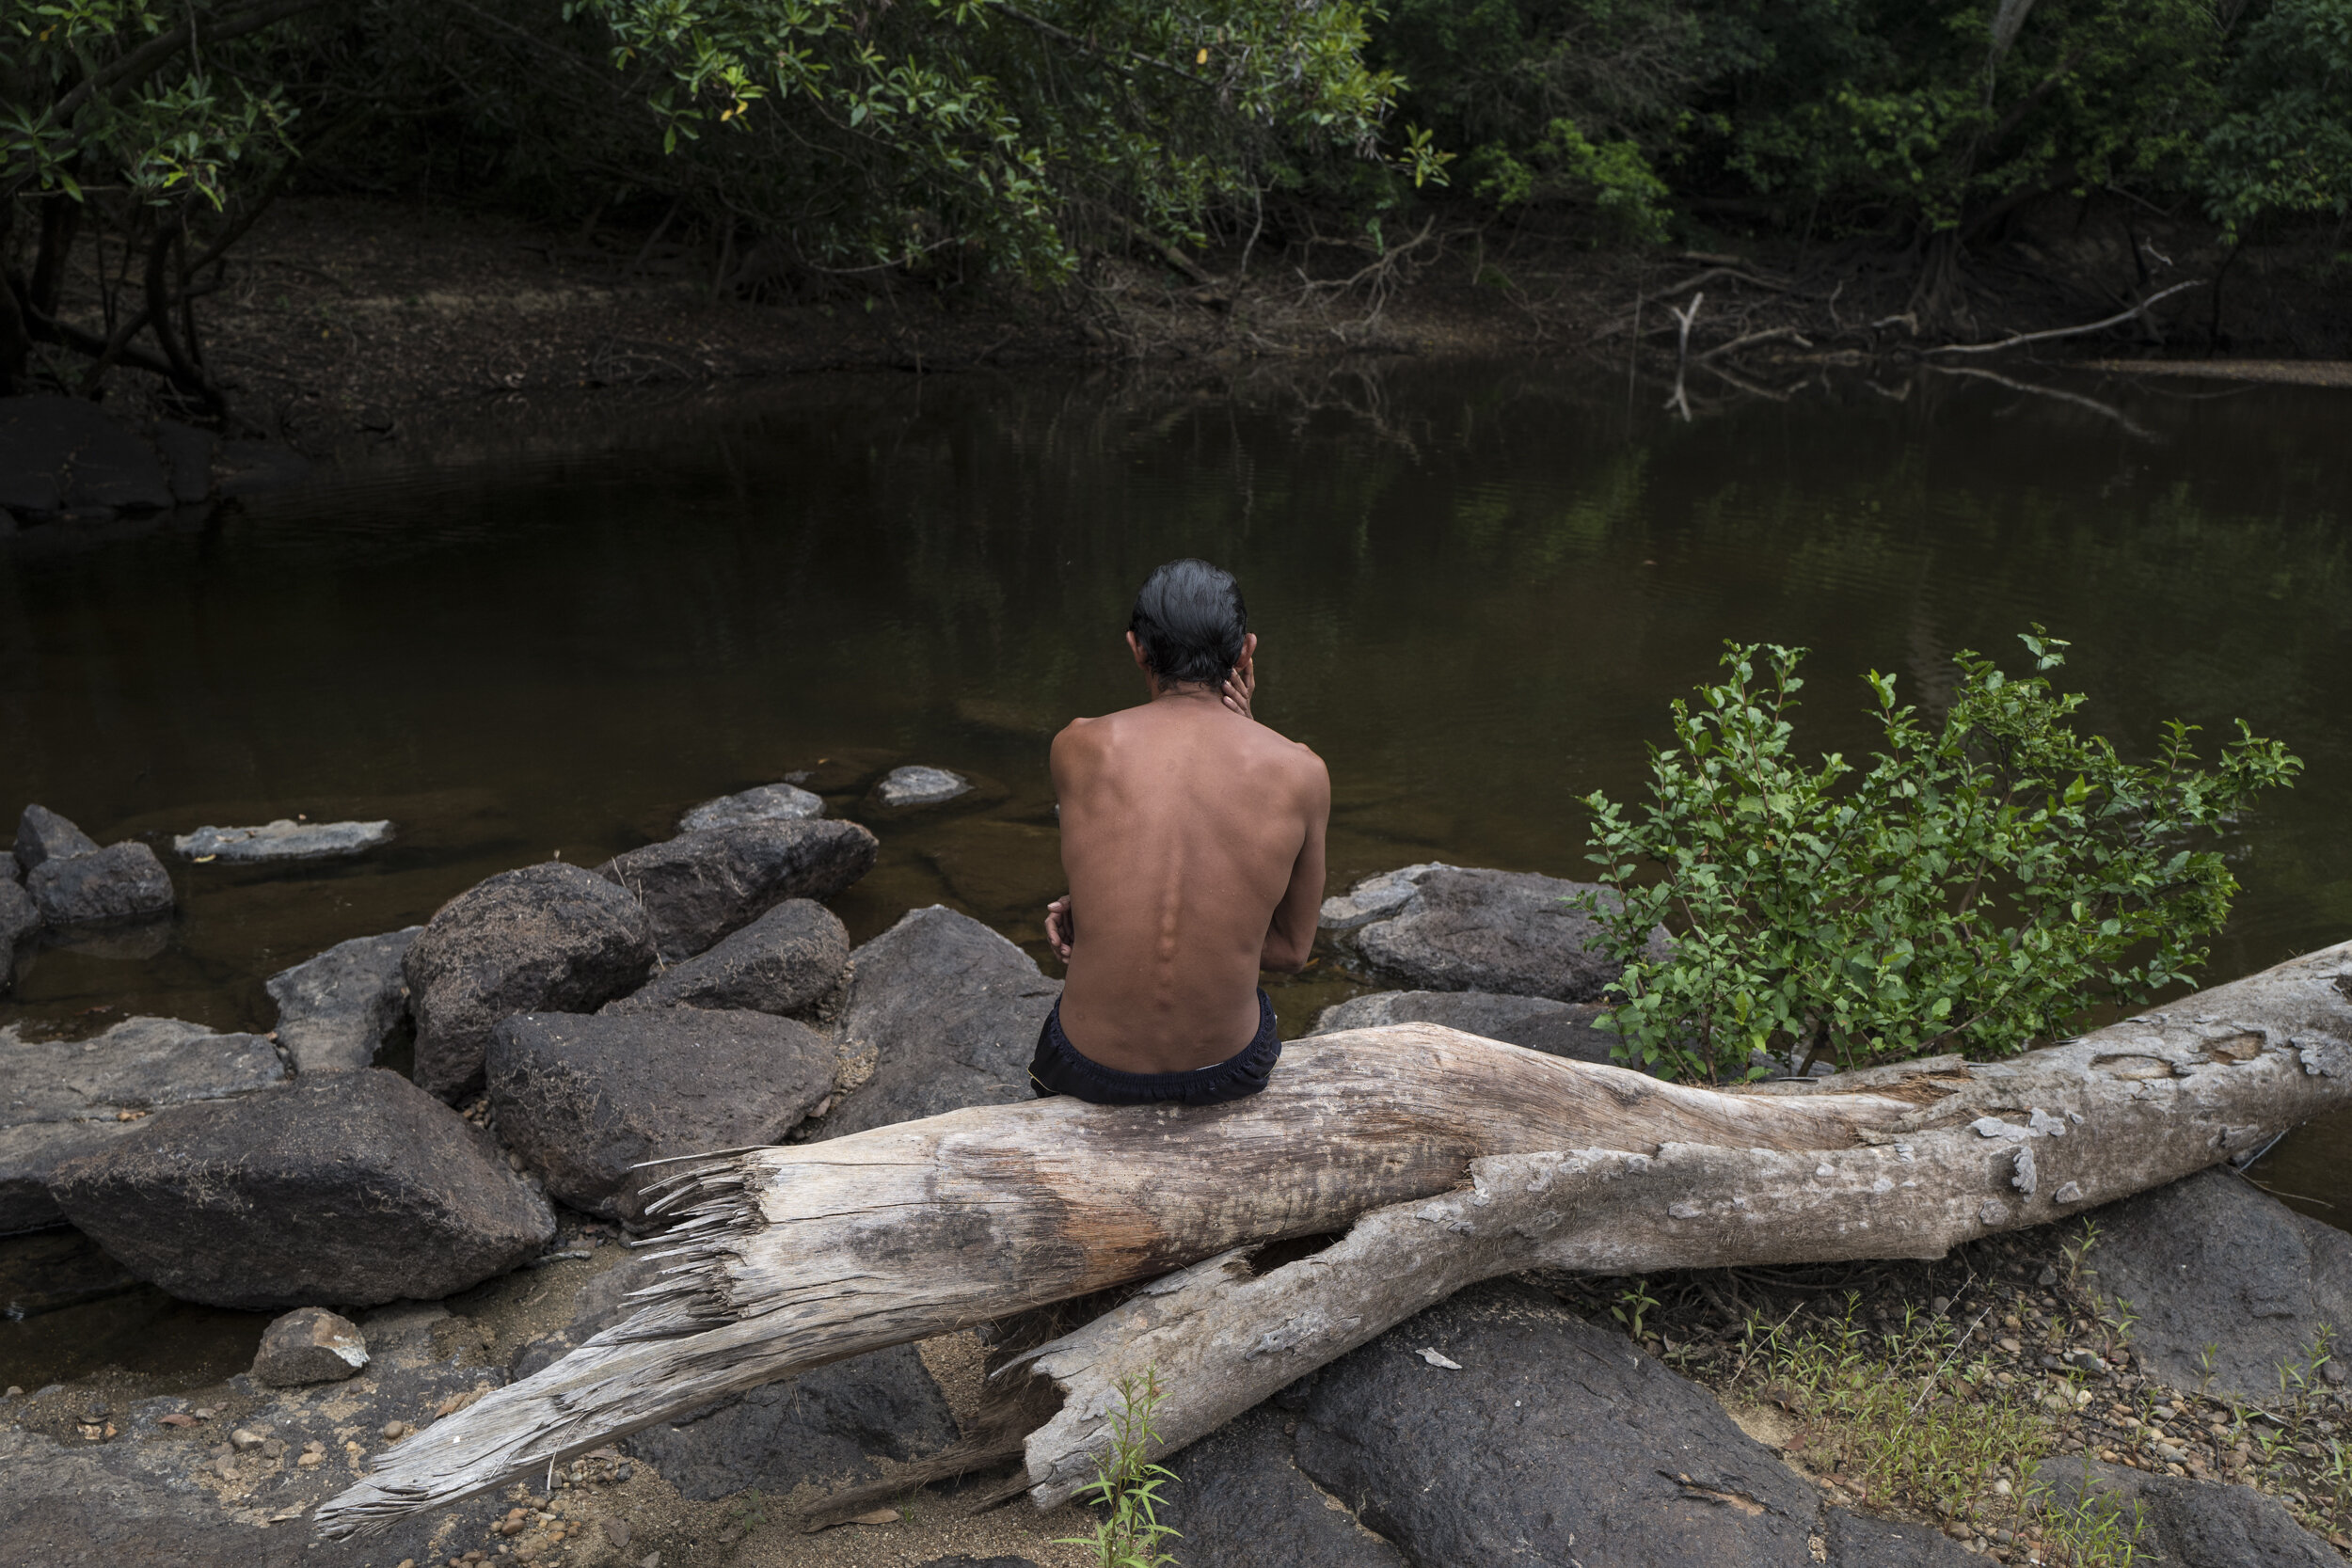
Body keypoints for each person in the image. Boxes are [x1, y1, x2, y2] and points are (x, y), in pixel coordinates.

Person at [1035, 559, 1330, 1106]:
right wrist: (1249, 729)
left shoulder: (1076, 746)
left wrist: (1096, 917)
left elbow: (1133, 843)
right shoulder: (1301, 772)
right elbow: (1291, 951)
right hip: (1225, 1073)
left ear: (1136, 648)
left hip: (1088, 1066)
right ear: (1246, 651)